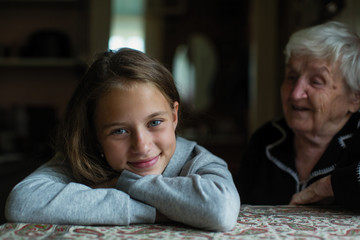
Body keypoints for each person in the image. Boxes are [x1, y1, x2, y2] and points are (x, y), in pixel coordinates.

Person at [5, 48, 240, 231]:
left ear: (174, 116)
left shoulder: (198, 161)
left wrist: (123, 182)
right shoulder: (82, 160)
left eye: (155, 123)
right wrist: (168, 210)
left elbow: (220, 210)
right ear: (94, 135)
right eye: (119, 131)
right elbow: (22, 203)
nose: (142, 145)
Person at [236, 21, 360, 207]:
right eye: (291, 77)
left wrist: (330, 186)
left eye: (317, 81)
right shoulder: (266, 138)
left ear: (354, 98)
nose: (295, 93)